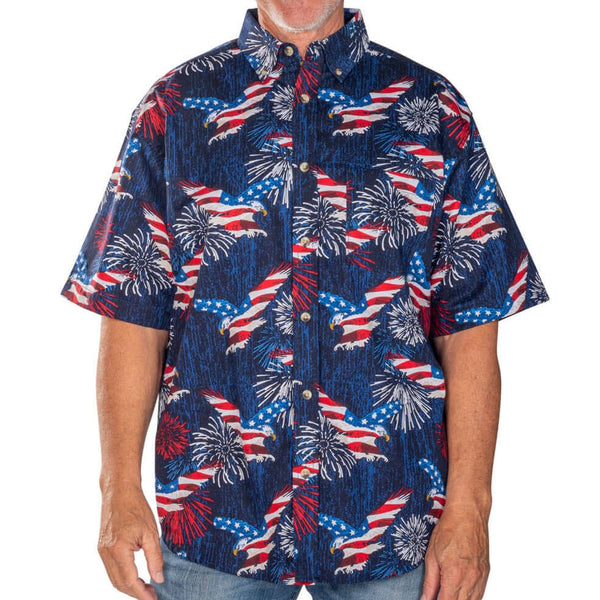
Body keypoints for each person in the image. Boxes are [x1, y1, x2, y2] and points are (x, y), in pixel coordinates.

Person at [59, 1, 550, 599]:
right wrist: (117, 488)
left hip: (397, 533)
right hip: (215, 522)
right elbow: (132, 315)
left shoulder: (433, 109)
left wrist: (472, 508)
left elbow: (470, 327)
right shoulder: (174, 107)